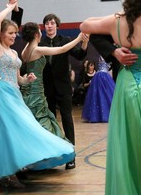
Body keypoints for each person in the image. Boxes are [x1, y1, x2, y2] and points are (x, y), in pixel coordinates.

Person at [0, 0, 75, 188]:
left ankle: (14, 168)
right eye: (10, 33)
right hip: (1, 94)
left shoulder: (13, 52)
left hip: (14, 93)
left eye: (15, 33)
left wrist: (26, 79)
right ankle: (5, 173)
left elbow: (18, 78)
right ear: (2, 34)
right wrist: (10, 6)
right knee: (6, 132)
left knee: (21, 129)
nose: (14, 36)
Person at [80, 0, 141, 194]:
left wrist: (114, 50)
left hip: (127, 85)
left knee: (128, 143)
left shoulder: (117, 22)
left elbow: (84, 25)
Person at [40, 13, 89, 169]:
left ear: (57, 25)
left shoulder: (65, 40)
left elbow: (80, 55)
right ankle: (52, 153)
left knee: (67, 118)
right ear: (44, 26)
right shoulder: (40, 42)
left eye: (52, 23)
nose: (49, 25)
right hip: (47, 87)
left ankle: (70, 154)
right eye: (47, 23)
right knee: (50, 119)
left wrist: (84, 43)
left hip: (63, 86)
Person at [20, 22, 83, 138]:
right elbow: (62, 49)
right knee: (44, 121)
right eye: (39, 30)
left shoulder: (25, 51)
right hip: (37, 91)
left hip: (29, 89)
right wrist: (78, 38)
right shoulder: (37, 50)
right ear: (36, 35)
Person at [81, 56, 115, 123]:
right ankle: (102, 115)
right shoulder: (106, 55)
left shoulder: (108, 55)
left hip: (102, 75)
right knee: (102, 94)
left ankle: (101, 115)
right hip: (103, 76)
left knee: (103, 94)